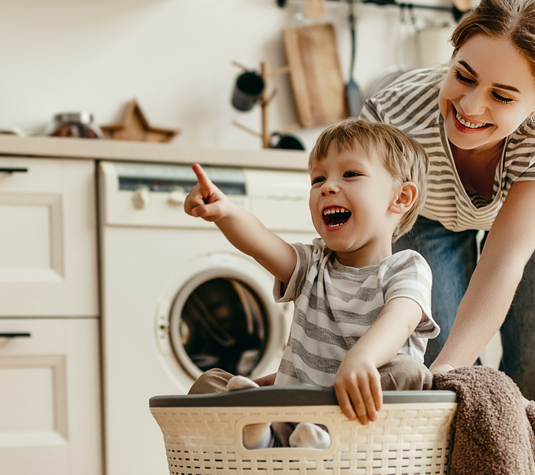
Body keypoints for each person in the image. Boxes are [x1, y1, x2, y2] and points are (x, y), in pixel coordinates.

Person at [361, 0, 535, 429]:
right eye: (463, 75)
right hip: (425, 214)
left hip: (524, 205)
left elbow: (503, 263)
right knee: (446, 360)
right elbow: (364, 245)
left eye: (502, 95)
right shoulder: (390, 118)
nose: (471, 106)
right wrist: (444, 376)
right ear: (452, 55)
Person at [182, 119, 439, 448]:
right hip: (289, 413)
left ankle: (315, 440)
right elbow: (261, 243)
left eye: (350, 174)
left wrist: (361, 360)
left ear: (401, 197)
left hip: (358, 420)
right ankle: (263, 438)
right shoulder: (313, 264)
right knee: (211, 383)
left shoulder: (407, 267)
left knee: (411, 373)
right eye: (318, 179)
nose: (327, 187)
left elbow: (399, 320)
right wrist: (226, 212)